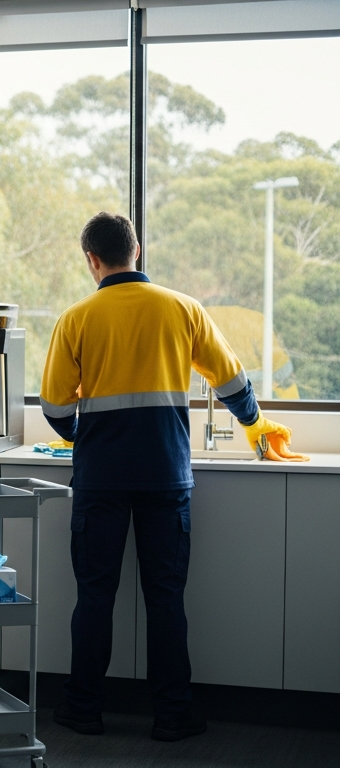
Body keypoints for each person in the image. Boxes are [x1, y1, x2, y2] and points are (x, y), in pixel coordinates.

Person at [40, 212, 307, 742]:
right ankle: (173, 713)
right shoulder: (184, 308)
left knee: (94, 596)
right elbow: (231, 381)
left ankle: (84, 709)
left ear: (92, 260)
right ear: (136, 250)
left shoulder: (77, 317)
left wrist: (81, 436)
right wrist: (257, 425)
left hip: (100, 480)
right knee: (165, 597)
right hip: (165, 475)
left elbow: (52, 406)